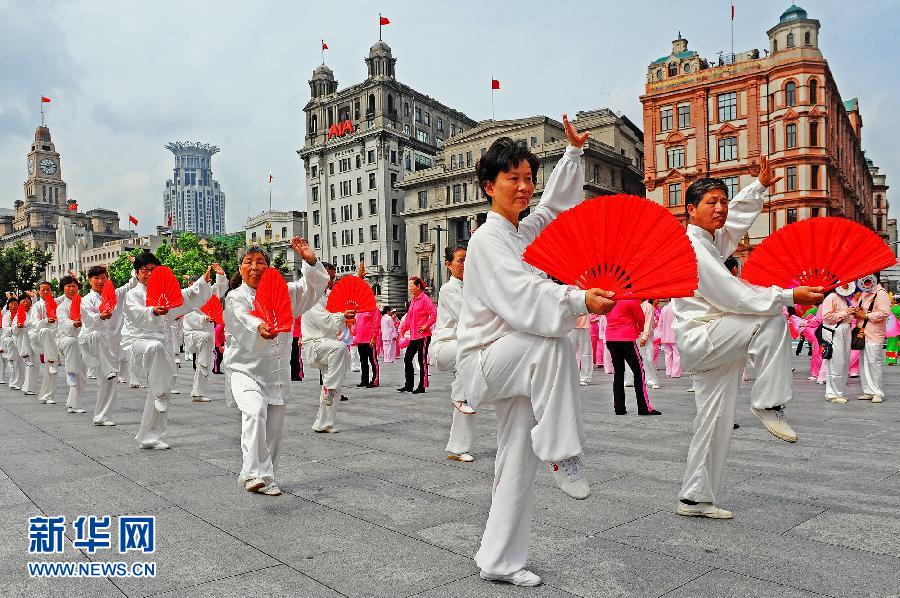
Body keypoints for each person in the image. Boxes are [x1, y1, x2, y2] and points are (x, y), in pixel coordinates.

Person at [457, 117, 616, 587]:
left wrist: (572, 154)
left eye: (529, 177)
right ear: (489, 186)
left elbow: (554, 208)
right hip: (487, 359)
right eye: (513, 178)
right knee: (554, 343)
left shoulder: (521, 232)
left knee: (517, 459)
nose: (525, 187)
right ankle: (563, 451)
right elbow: (524, 294)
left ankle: (499, 560)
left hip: (516, 361)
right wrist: (577, 299)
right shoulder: (488, 241)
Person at [672, 159, 824, 520]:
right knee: (770, 319)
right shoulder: (693, 248)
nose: (720, 208)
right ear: (691, 209)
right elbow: (733, 295)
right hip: (706, 336)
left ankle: (694, 498)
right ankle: (769, 402)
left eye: (723, 201)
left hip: (715, 339)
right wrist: (789, 295)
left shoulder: (709, 241)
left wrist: (757, 187)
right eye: (711, 202)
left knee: (714, 421)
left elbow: (735, 221)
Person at [224, 241, 329, 495]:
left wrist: (310, 261)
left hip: (276, 373)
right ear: (240, 268)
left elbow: (312, 288)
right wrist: (258, 327)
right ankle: (251, 473)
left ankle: (267, 478)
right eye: (248, 262)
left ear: (269, 268)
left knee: (274, 431)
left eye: (260, 262)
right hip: (244, 371)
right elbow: (241, 316)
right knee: (255, 410)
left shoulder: (286, 293)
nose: (254, 267)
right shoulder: (235, 297)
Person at [124, 254, 216, 449]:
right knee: (156, 358)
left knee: (162, 389)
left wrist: (203, 281)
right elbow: (137, 314)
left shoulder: (166, 294)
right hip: (140, 344)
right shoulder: (134, 294)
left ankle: (149, 437)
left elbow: (187, 296)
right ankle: (159, 394)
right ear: (137, 273)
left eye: (153, 270)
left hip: (163, 346)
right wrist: (152, 311)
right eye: (145, 270)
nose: (149, 274)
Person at [429, 244, 476, 463]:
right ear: (448, 264)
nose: (465, 263)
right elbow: (468, 316)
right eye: (460, 260)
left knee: (468, 397)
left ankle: (458, 448)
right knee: (470, 354)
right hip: (446, 346)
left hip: (465, 347)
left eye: (468, 258)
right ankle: (459, 396)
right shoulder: (448, 289)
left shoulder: (473, 285)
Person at [80, 264, 139, 426]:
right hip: (92, 342)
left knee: (109, 382)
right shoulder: (86, 300)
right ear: (89, 280)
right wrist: (100, 316)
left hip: (111, 346)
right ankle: (109, 369)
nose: (100, 281)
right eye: (96, 278)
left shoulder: (116, 294)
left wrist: (137, 267)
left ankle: (101, 416)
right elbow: (89, 319)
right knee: (97, 336)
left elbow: (131, 284)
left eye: (103, 278)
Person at [300, 263, 355, 433]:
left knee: (336, 386)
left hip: (328, 344)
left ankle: (324, 423)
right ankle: (330, 387)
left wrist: (358, 278)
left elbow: (346, 296)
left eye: (332, 277)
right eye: (328, 277)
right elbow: (324, 320)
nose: (330, 281)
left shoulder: (328, 295)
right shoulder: (310, 297)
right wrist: (342, 316)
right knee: (341, 348)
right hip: (315, 344)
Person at [606, 299, 661, 416]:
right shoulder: (630, 299)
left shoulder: (609, 298)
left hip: (611, 337)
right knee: (639, 372)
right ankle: (643, 407)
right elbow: (640, 318)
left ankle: (619, 408)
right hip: (626, 338)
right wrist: (640, 329)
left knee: (618, 373)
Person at [854, 275, 890, 403]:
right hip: (862, 333)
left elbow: (885, 312)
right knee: (864, 363)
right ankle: (868, 390)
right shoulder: (865, 292)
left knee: (874, 363)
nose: (865, 281)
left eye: (868, 279)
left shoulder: (881, 293)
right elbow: (861, 310)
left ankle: (877, 393)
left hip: (874, 333)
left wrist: (866, 315)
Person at [397, 277, 436, 394]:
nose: (409, 288)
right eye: (409, 285)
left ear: (418, 286)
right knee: (407, 358)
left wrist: (426, 325)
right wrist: (402, 330)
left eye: (411, 285)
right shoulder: (413, 301)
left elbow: (434, 313)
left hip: (423, 336)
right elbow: (409, 319)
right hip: (414, 336)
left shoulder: (425, 299)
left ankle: (422, 386)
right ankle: (408, 385)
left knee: (421, 360)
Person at [56, 275, 87, 414]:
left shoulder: (84, 303)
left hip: (82, 340)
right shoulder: (61, 307)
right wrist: (74, 324)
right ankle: (71, 373)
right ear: (63, 288)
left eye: (74, 286)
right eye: (68, 286)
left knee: (83, 375)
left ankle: (73, 404)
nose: (71, 288)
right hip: (66, 338)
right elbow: (64, 323)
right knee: (71, 342)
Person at [821, 285, 855, 404]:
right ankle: (832, 393)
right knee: (836, 361)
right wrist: (846, 312)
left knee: (844, 362)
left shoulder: (845, 298)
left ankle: (838, 392)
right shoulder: (831, 297)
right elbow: (826, 317)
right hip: (835, 331)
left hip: (845, 329)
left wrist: (852, 313)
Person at [14, 294, 38, 397]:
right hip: (24, 341)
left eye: (28, 301)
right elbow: (13, 329)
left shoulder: (34, 312)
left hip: (34, 340)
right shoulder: (18, 314)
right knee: (30, 364)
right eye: (23, 301)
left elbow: (37, 323)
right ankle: (28, 388)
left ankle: (28, 387)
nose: (26, 303)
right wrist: (18, 326)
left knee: (35, 365)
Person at [2, 297, 24, 390]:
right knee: (14, 361)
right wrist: (14, 328)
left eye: (15, 304)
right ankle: (10, 359)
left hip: (19, 339)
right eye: (11, 304)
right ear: (8, 305)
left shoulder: (21, 314)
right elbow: (5, 328)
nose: (13, 306)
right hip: (8, 338)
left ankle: (19, 382)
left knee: (20, 362)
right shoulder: (6, 316)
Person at [656, 300, 681, 378]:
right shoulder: (677, 308)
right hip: (675, 334)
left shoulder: (664, 308)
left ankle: (668, 371)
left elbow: (660, 323)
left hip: (665, 334)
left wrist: (659, 334)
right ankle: (675, 373)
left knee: (667, 354)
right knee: (677, 354)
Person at [569, 314, 593, 386]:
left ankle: (585, 378)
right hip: (570, 326)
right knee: (569, 353)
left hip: (584, 326)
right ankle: (569, 376)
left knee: (586, 353)